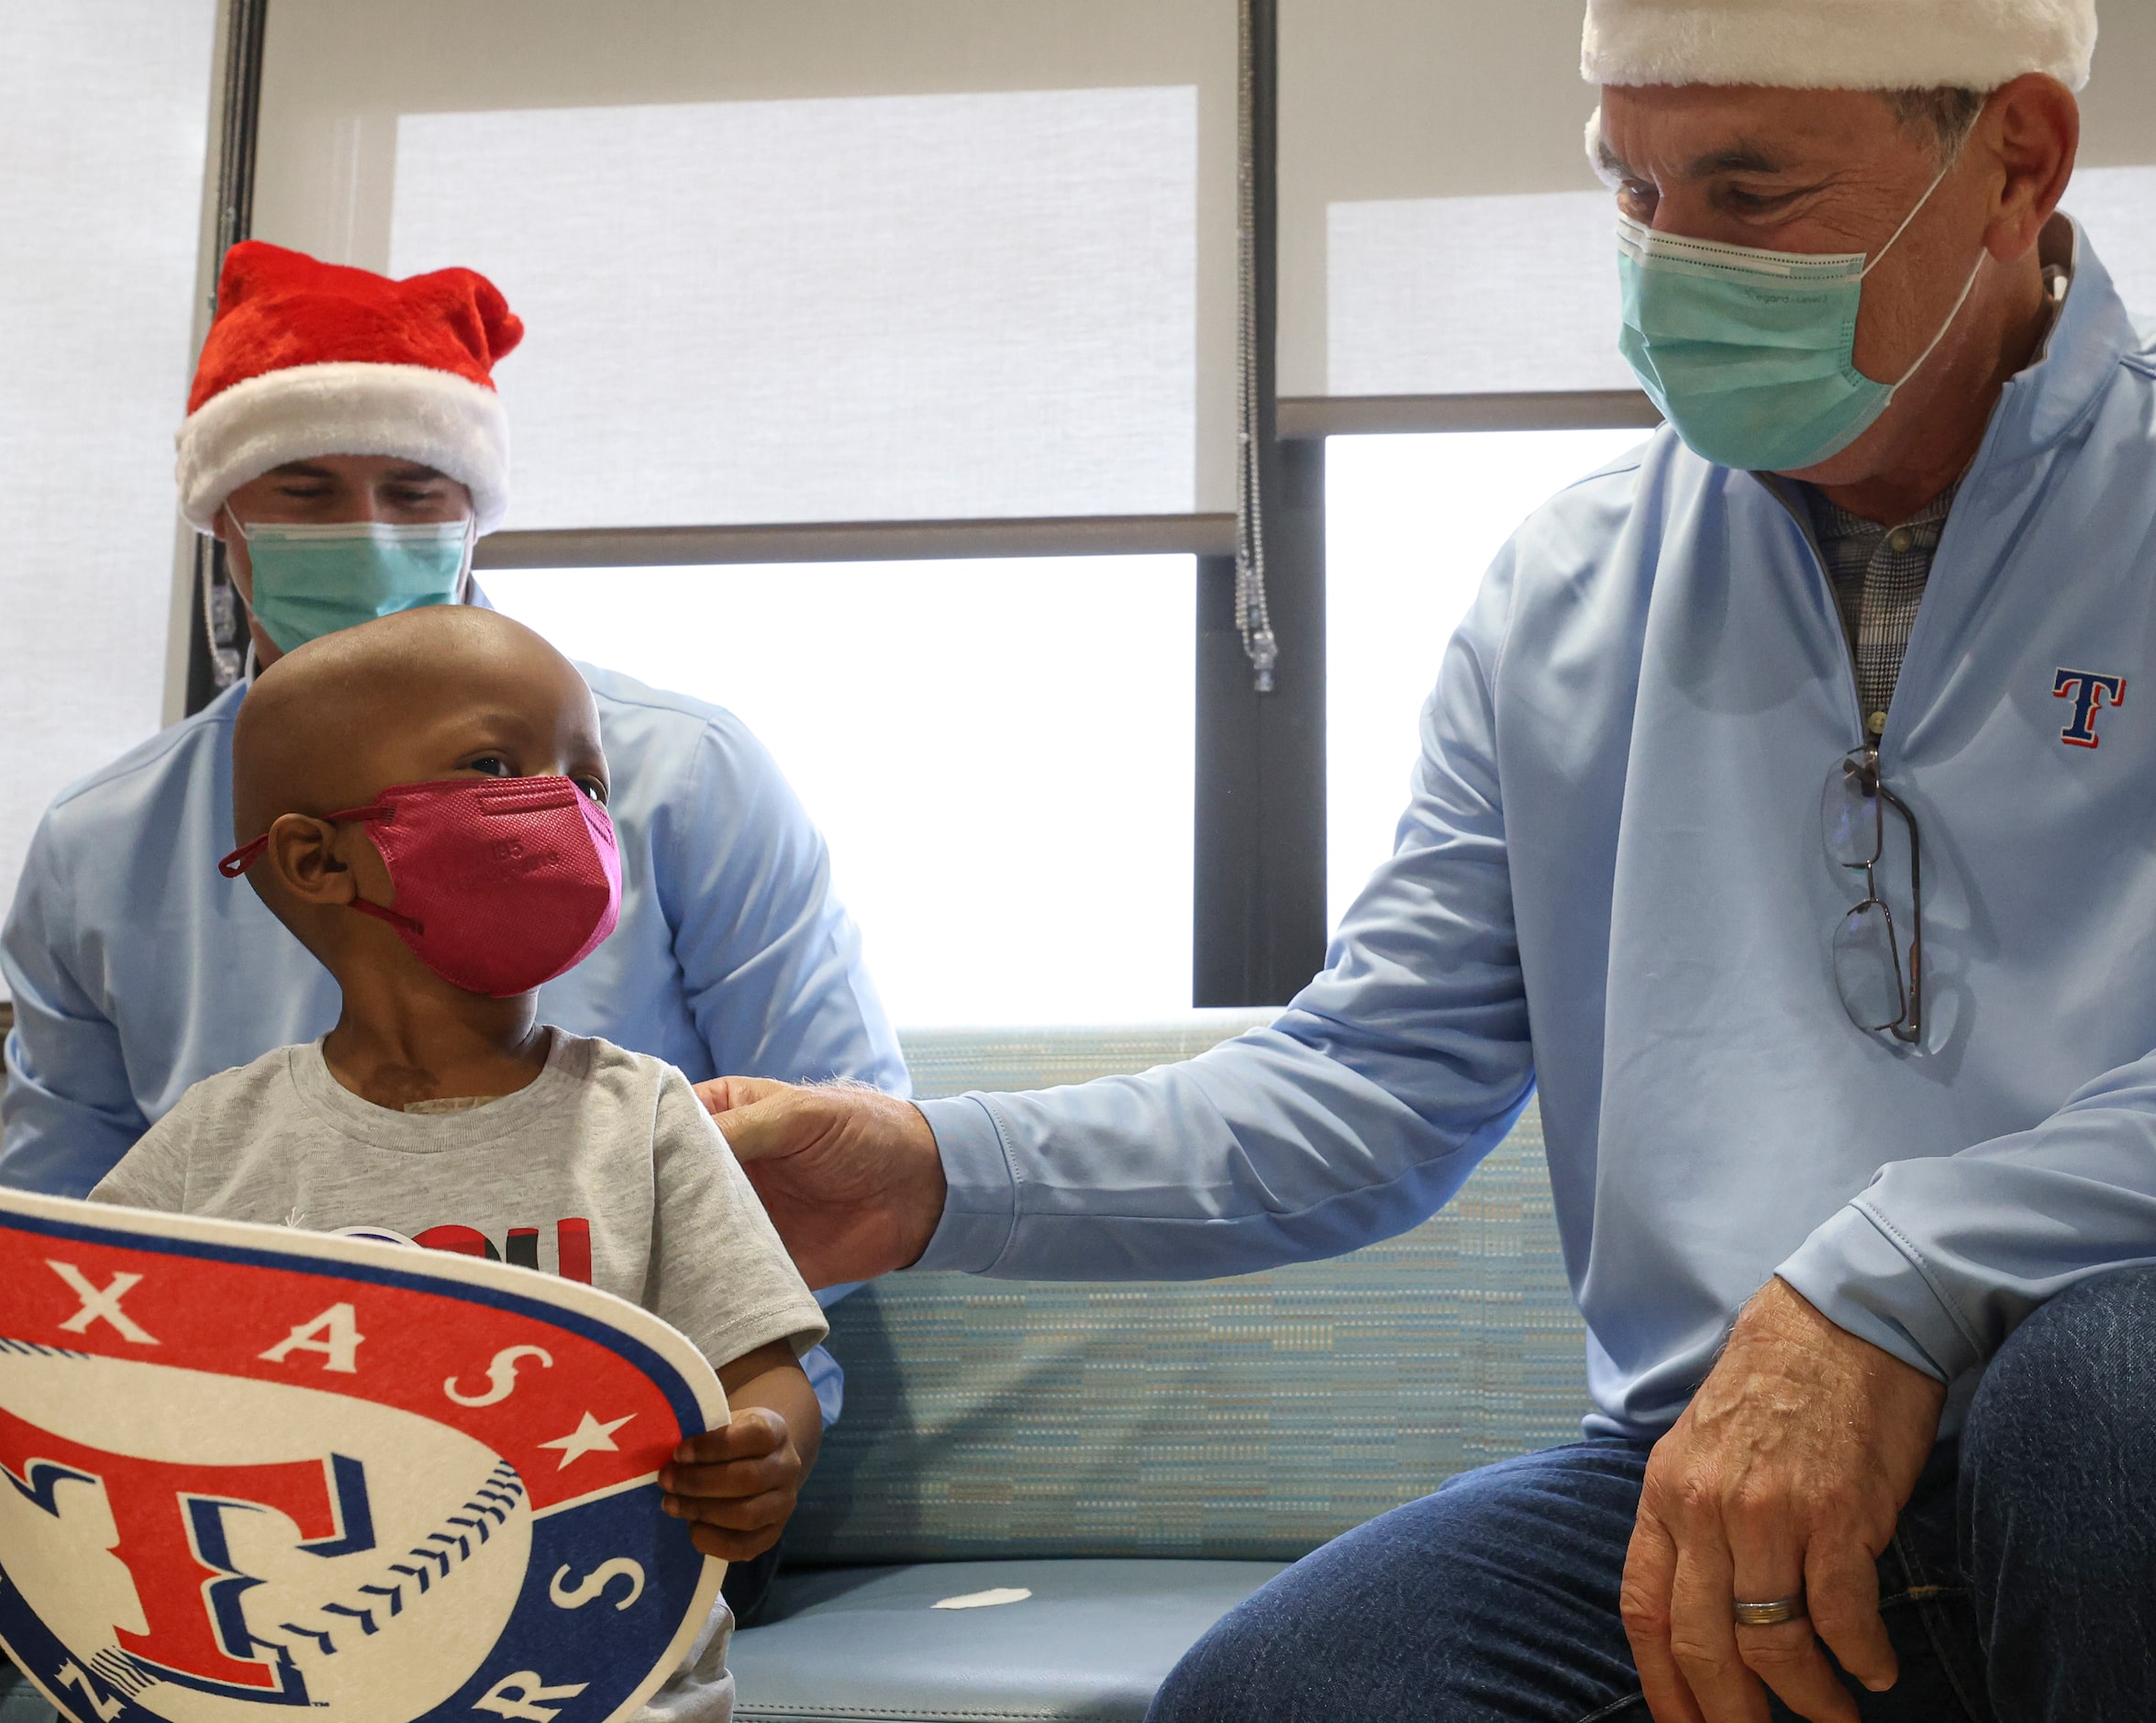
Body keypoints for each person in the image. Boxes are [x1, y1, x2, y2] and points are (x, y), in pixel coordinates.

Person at [696, 1, 2156, 1717]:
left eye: (1750, 197)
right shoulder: (1564, 591)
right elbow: (1369, 1084)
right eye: (1634, 189)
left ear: (2017, 162)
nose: (1670, 261)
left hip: (2099, 1412)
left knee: (2107, 1392)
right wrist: (930, 1174)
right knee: (1285, 1692)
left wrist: (1885, 1282)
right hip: (1709, 1461)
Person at [0, 243, 902, 1613]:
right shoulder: (97, 845)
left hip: (639, 1467)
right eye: (304, 487)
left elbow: (840, 1147)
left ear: (472, 512)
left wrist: (739, 1414)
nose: (363, 526)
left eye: (412, 489)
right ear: (219, 512)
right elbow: (63, 1254)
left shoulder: (680, 773)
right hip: (250, 1482)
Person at [88, 604, 828, 1723]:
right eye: (496, 764)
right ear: (315, 857)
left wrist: (764, 1451)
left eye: (588, 782)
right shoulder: (211, 1140)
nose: (568, 809)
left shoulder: (642, 1117)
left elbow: (758, 1360)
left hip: (613, 1686)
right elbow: (69, 1356)